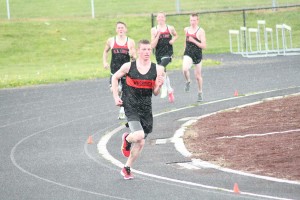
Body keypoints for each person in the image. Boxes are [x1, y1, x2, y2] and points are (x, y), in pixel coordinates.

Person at [111, 39, 165, 180]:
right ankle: (127, 140)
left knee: (141, 141)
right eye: (144, 49)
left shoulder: (157, 69)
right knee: (139, 135)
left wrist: (159, 86)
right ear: (139, 51)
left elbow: (155, 93)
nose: (147, 52)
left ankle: (126, 168)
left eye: (149, 50)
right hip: (130, 106)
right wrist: (116, 97)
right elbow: (115, 78)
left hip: (146, 108)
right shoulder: (129, 66)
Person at [103, 21, 136, 119]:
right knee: (114, 90)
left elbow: (134, 56)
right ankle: (120, 95)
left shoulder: (130, 41)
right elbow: (105, 51)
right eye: (119, 28)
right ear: (116, 30)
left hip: (125, 71)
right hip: (114, 71)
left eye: (122, 28)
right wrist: (105, 62)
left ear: (125, 29)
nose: (120, 29)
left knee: (125, 91)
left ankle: (122, 110)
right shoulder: (111, 41)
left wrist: (132, 56)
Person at [151, 12, 178, 103]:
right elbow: (153, 45)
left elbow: (176, 35)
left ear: (165, 18)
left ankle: (164, 88)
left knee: (161, 68)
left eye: (162, 17)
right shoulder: (154, 30)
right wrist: (158, 35)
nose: (161, 19)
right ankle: (170, 90)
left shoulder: (170, 28)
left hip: (168, 53)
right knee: (163, 72)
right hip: (159, 53)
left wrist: (173, 40)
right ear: (157, 19)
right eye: (159, 17)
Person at [182, 13, 206, 102]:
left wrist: (194, 41)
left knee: (198, 76)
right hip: (188, 53)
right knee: (185, 69)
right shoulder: (186, 29)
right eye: (191, 20)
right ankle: (188, 81)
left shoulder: (201, 31)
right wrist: (184, 48)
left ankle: (200, 92)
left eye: (194, 20)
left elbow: (204, 46)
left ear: (197, 21)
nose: (192, 22)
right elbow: (186, 40)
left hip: (197, 54)